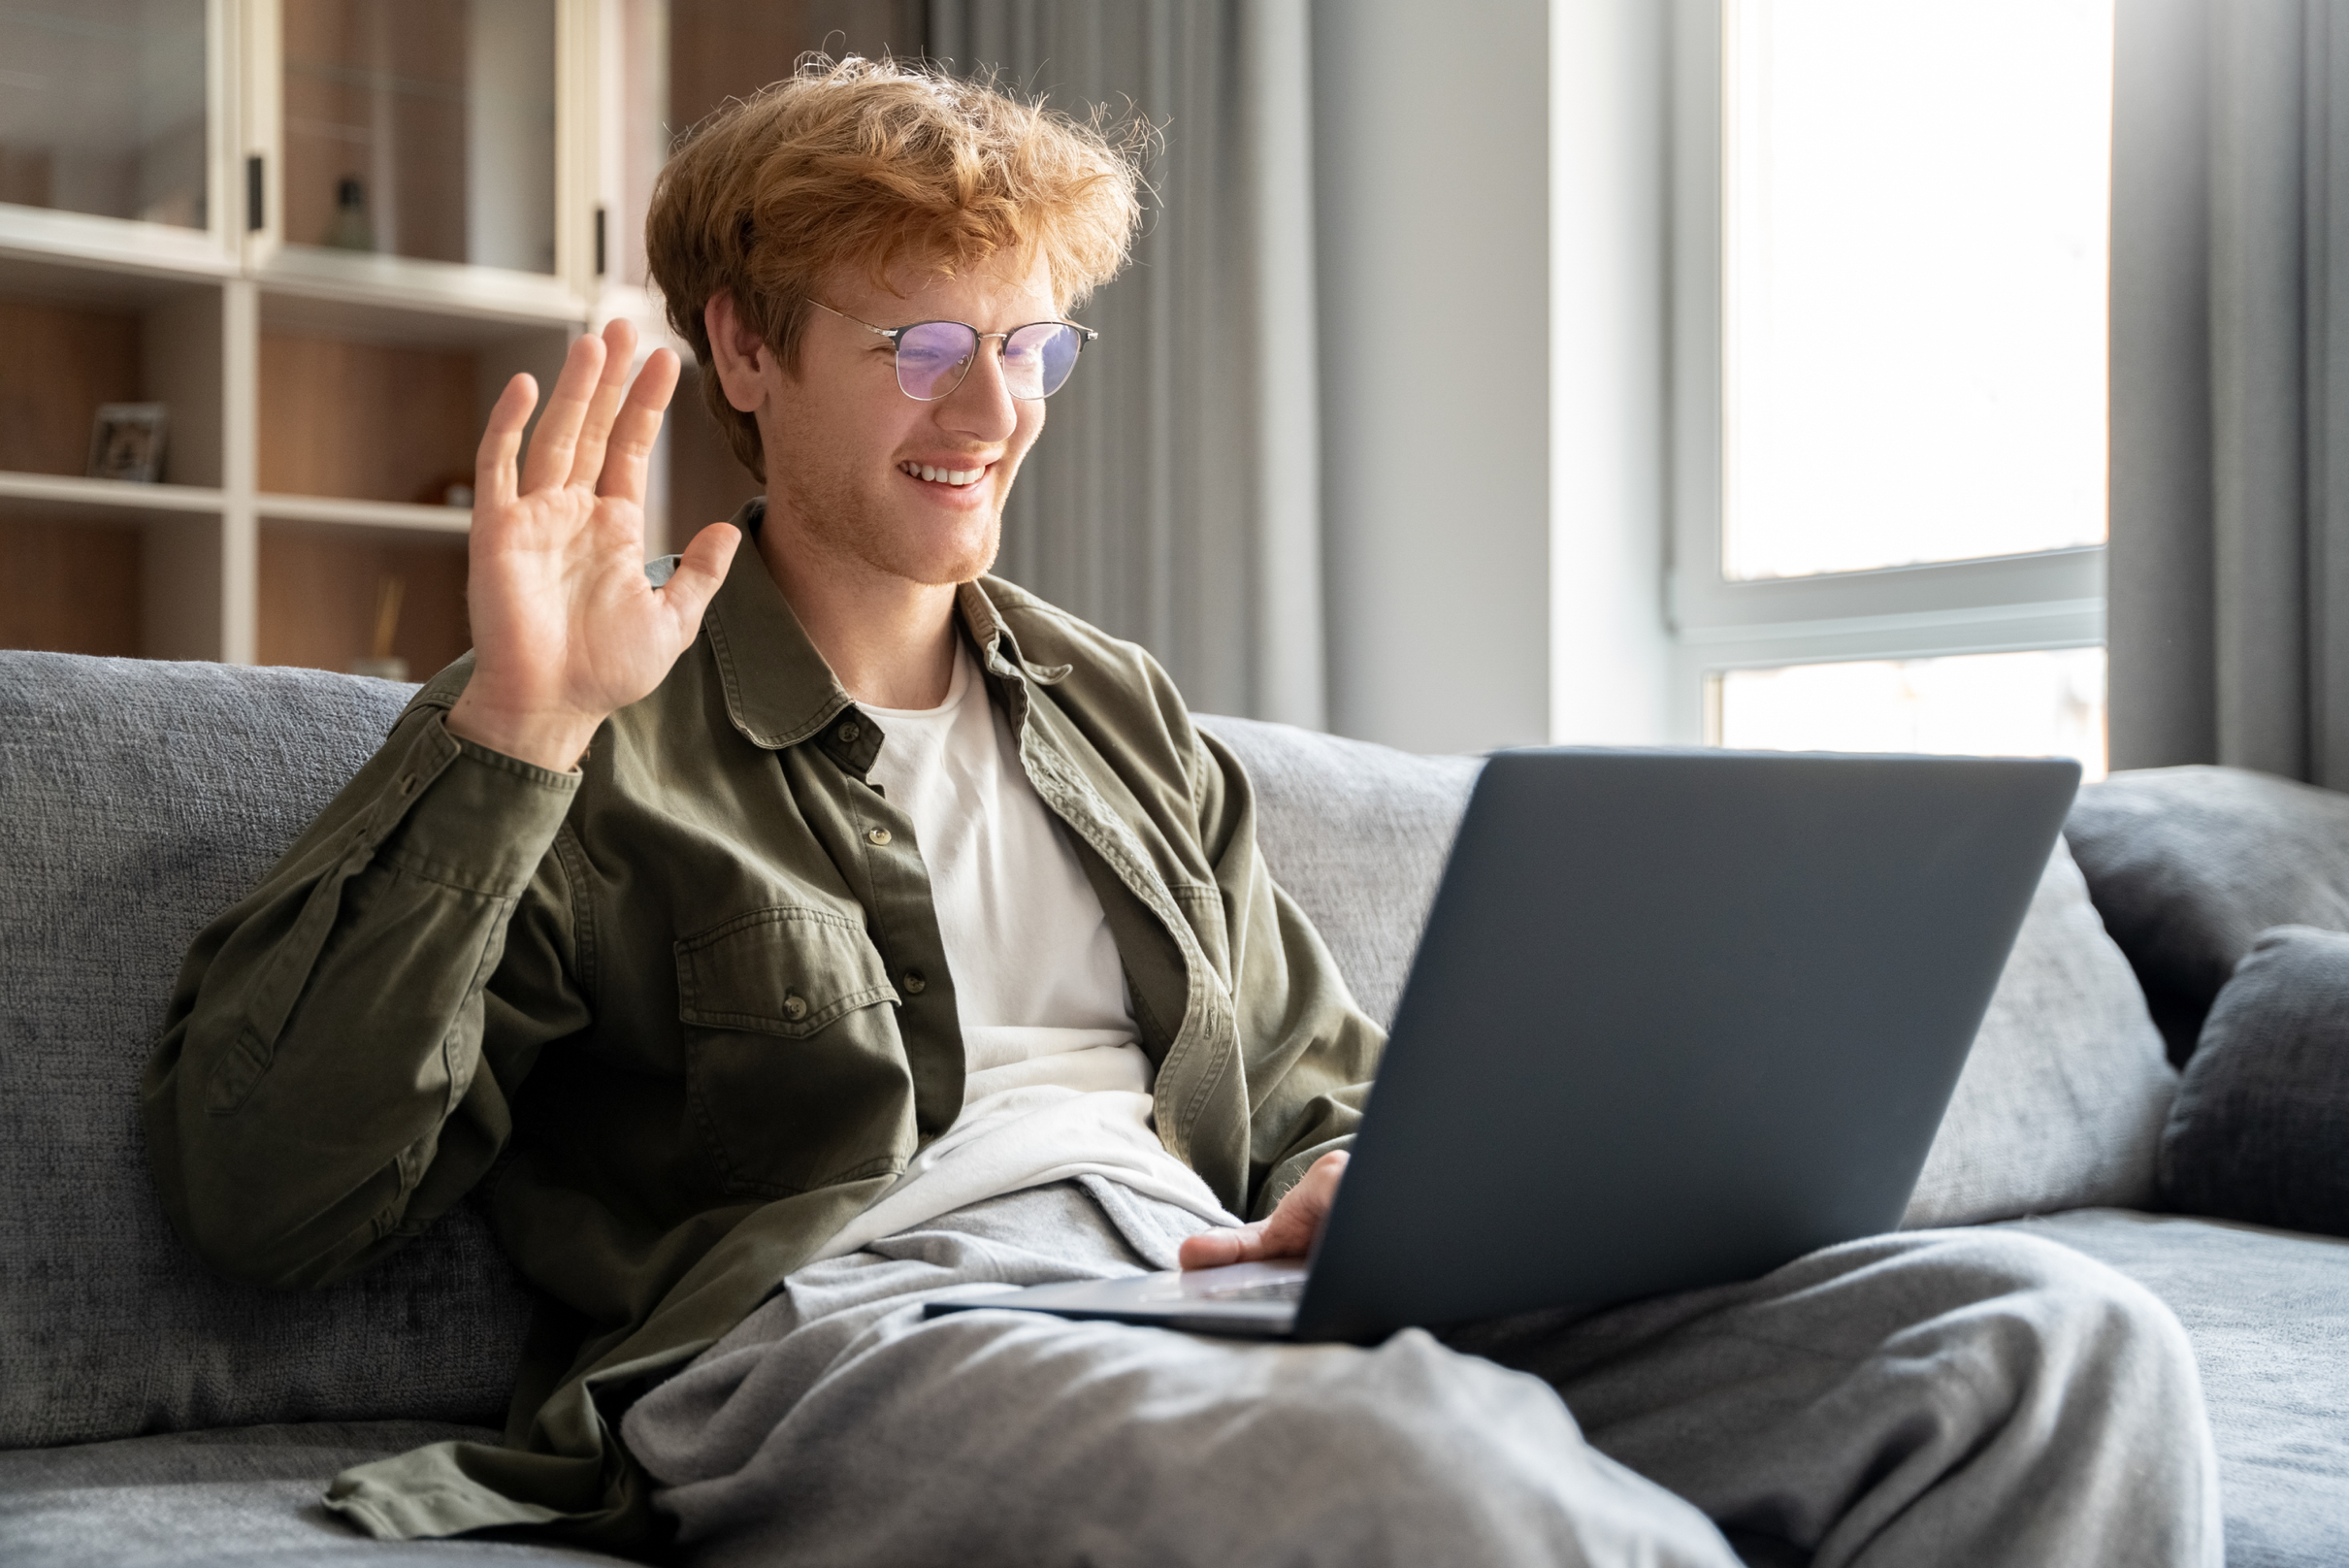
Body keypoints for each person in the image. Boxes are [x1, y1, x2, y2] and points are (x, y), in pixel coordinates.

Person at [143, 57, 2221, 1566]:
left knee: (2044, 1345)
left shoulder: (1117, 710)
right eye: (925, 342)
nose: (994, 411)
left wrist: (1350, 1171)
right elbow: (267, 1195)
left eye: (1033, 342)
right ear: (746, 353)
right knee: (1427, 1473)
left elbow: (1313, 1081)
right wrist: (514, 736)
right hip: (859, 1332)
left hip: (1214, 1280)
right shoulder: (579, 711)